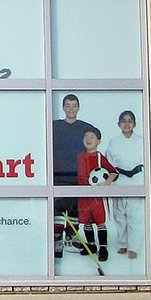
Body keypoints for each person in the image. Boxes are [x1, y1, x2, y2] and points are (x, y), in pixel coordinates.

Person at [52, 94, 96, 258]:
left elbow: (94, 142)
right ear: (63, 107)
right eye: (68, 105)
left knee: (75, 207)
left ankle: (71, 235)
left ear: (78, 108)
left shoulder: (85, 128)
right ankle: (57, 239)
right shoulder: (55, 126)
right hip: (59, 173)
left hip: (78, 173)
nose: (71, 109)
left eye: (74, 105)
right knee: (58, 207)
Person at [105, 110, 146, 260]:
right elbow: (110, 163)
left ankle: (134, 247)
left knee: (135, 215)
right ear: (119, 124)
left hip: (136, 178)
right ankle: (123, 243)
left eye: (130, 121)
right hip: (120, 178)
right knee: (119, 214)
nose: (126, 124)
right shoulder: (113, 142)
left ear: (134, 124)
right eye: (123, 121)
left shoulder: (142, 141)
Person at [77, 127, 118, 261]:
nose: (88, 139)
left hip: (96, 198)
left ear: (98, 141)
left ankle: (103, 248)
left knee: (100, 222)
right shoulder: (80, 156)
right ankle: (91, 245)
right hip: (83, 195)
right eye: (86, 137)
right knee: (86, 222)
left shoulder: (100, 157)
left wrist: (107, 182)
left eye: (92, 137)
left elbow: (113, 172)